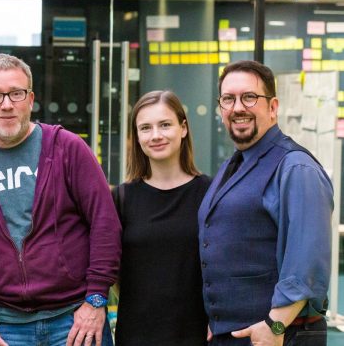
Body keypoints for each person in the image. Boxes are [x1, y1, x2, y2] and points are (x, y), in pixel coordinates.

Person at [0, 53, 121, 346]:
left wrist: (95, 300)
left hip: (75, 320)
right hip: (8, 326)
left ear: (30, 99)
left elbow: (105, 225)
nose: (6, 104)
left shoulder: (67, 149)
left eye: (16, 93)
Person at [199, 60, 333, 345]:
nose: (237, 108)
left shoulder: (296, 167)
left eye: (249, 97)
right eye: (228, 99)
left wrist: (274, 326)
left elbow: (307, 262)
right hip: (235, 336)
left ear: (273, 107)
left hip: (280, 336)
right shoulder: (232, 165)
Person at [113, 90, 209, 345]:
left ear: (183, 128)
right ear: (136, 137)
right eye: (145, 128)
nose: (155, 135)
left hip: (196, 334)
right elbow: (111, 271)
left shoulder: (211, 194)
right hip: (136, 335)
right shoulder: (121, 198)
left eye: (165, 125)